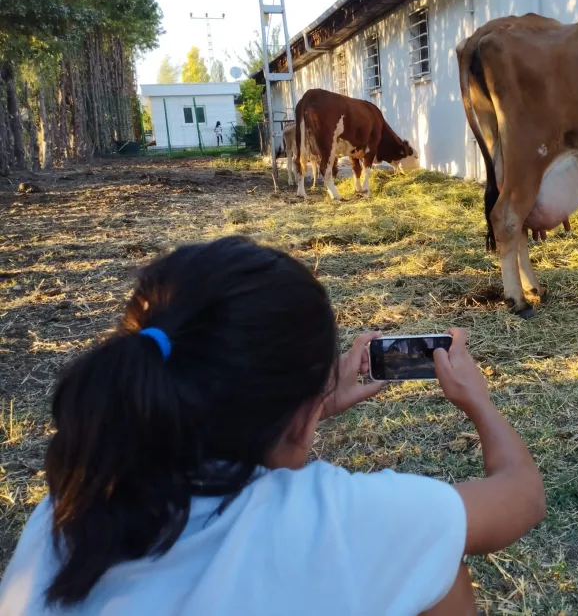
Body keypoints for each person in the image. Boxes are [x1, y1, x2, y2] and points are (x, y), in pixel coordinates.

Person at [0, 236, 545, 616]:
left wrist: (305, 407)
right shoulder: (331, 518)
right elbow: (521, 496)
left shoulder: (69, 508)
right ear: (297, 423)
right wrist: (479, 403)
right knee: (437, 564)